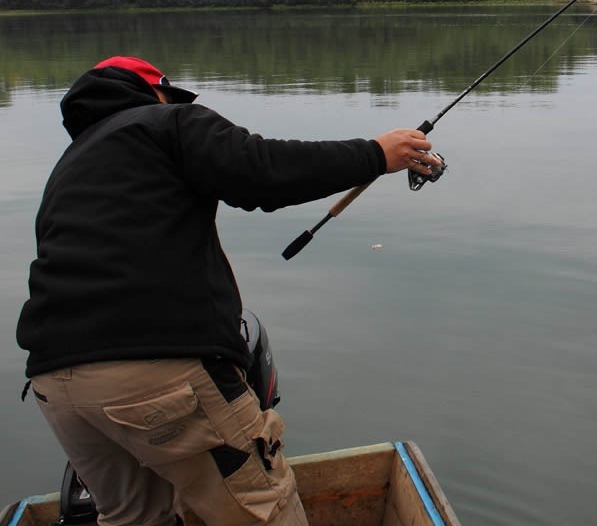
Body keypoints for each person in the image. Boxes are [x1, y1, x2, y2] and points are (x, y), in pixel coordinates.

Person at [16, 56, 443, 526]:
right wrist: (378, 153)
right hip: (157, 373)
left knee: (131, 517)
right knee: (262, 509)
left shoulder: (71, 165)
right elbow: (263, 170)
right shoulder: (167, 123)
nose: (173, 103)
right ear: (152, 91)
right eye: (169, 94)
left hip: (56, 387)